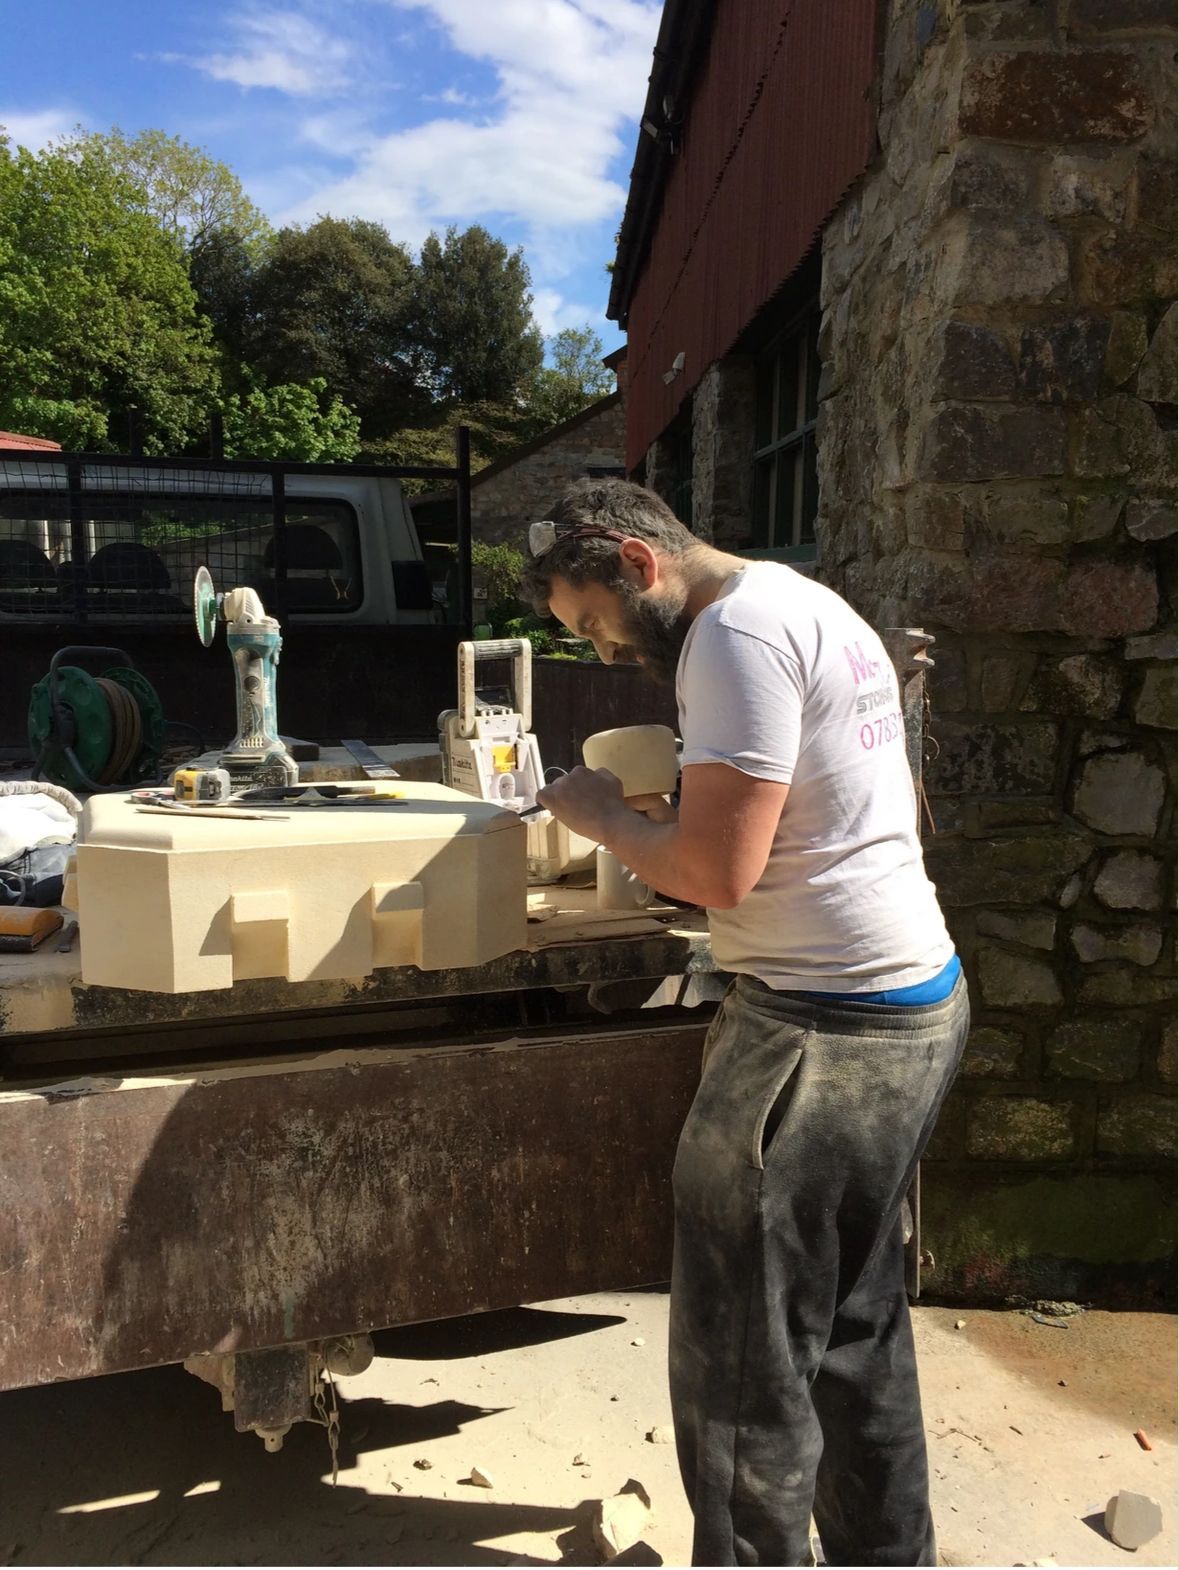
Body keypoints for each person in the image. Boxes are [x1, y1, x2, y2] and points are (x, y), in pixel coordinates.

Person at [521, 478, 969, 1568]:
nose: (601, 649)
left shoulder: (728, 639)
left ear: (638, 563)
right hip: (913, 1001)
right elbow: (880, 806)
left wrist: (606, 819)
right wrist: (699, 817)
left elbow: (721, 874)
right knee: (853, 1331)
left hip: (822, 1037)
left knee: (741, 1369)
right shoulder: (808, 603)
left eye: (594, 622)